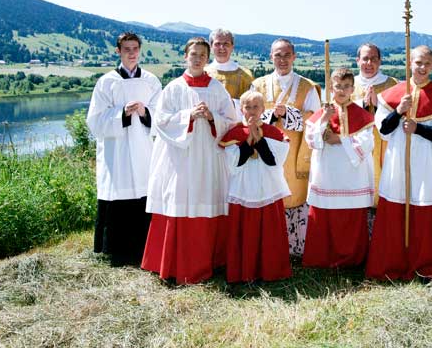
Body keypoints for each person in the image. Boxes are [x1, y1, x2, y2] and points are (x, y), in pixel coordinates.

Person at [141, 37, 237, 284]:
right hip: (180, 159)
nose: (197, 59)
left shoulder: (217, 88)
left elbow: (232, 122)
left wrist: (213, 117)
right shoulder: (173, 88)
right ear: (185, 56)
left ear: (207, 59)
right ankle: (176, 264)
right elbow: (160, 121)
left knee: (207, 199)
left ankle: (211, 261)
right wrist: (189, 116)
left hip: (209, 158)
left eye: (202, 55)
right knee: (180, 199)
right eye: (193, 54)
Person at [366, 45, 432, 280]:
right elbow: (383, 130)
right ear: (409, 63)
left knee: (425, 213)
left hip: (428, 167)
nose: (422, 68)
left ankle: (426, 266)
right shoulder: (393, 94)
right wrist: (398, 111)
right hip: (398, 164)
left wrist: (418, 128)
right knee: (395, 211)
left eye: (427, 63)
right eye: (418, 63)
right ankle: (392, 263)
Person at [86, 32, 162, 266]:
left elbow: (161, 115)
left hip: (142, 148)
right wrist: (122, 113)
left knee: (143, 190)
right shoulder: (106, 82)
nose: (132, 53)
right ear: (118, 51)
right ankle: (115, 250)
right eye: (127, 49)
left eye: (135, 48)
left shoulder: (151, 81)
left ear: (140, 50)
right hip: (116, 150)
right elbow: (95, 120)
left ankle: (144, 248)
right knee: (118, 192)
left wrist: (145, 112)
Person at [250, 38, 321, 256]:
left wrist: (288, 113)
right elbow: (248, 114)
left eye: (287, 55)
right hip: (265, 148)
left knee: (294, 192)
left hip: (295, 151)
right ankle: (267, 245)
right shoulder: (258, 85)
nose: (282, 60)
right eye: (278, 55)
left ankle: (294, 246)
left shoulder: (307, 87)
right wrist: (271, 115)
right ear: (271, 57)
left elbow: (315, 119)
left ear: (294, 57)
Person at [303, 68, 375, 268]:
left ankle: (353, 258)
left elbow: (367, 143)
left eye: (346, 86)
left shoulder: (362, 115)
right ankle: (323, 257)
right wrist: (325, 119)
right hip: (327, 173)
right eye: (338, 86)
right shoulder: (322, 113)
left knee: (351, 218)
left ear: (353, 88)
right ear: (330, 88)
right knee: (325, 216)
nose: (341, 91)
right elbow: (311, 140)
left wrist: (339, 139)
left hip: (353, 175)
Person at [220, 90, 292, 282]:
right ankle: (244, 270)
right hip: (243, 188)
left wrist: (258, 140)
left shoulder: (274, 133)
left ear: (263, 109)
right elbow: (233, 163)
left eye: (256, 107)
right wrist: (249, 140)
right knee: (244, 231)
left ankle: (271, 270)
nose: (252, 111)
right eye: (248, 107)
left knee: (270, 231)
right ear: (241, 109)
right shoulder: (234, 133)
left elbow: (274, 161)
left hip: (267, 188)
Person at [352, 43, 398, 208]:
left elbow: (399, 116)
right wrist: (363, 105)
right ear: (358, 60)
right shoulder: (348, 83)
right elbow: (340, 113)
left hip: (384, 144)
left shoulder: (393, 84)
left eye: (373, 59)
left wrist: (378, 105)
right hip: (355, 145)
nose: (369, 63)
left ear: (380, 61)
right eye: (365, 59)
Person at [205, 28, 254, 118]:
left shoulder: (245, 75)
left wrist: (232, 104)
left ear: (232, 47)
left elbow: (252, 105)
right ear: (211, 47)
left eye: (226, 44)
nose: (222, 47)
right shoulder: (203, 73)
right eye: (217, 44)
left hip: (236, 123)